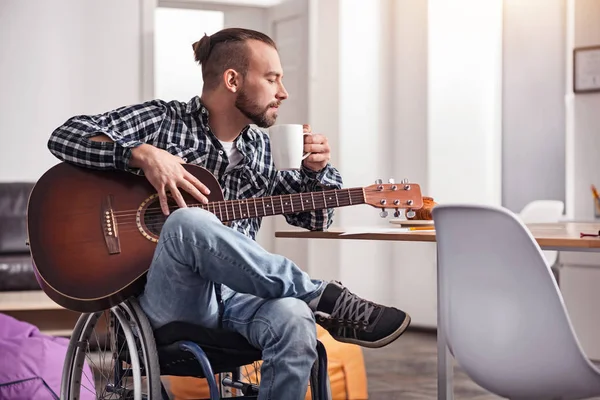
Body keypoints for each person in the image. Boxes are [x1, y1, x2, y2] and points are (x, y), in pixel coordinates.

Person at [47, 27, 411, 399]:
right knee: (188, 220)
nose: (282, 93)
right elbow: (65, 135)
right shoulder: (162, 121)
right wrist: (141, 154)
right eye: (272, 79)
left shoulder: (262, 151)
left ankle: (311, 302)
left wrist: (317, 172)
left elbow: (315, 219)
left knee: (294, 317)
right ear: (233, 79)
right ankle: (325, 297)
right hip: (168, 299)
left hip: (238, 299)